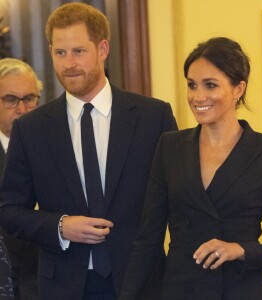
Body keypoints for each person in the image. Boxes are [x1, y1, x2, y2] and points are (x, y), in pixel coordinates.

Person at [0, 3, 177, 300]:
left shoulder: (153, 117)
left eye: (79, 51)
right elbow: (9, 210)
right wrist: (59, 226)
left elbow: (178, 201)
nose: (69, 63)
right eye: (60, 53)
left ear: (103, 49)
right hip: (62, 286)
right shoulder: (31, 129)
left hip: (142, 284)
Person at [119, 37, 262, 300]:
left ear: (238, 89)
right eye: (192, 85)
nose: (198, 96)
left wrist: (239, 250)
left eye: (210, 85)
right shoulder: (169, 146)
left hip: (242, 291)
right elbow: (148, 239)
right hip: (180, 290)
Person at [0, 58, 42, 299]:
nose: (22, 109)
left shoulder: (53, 146)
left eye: (29, 99)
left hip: (41, 277)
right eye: (10, 99)